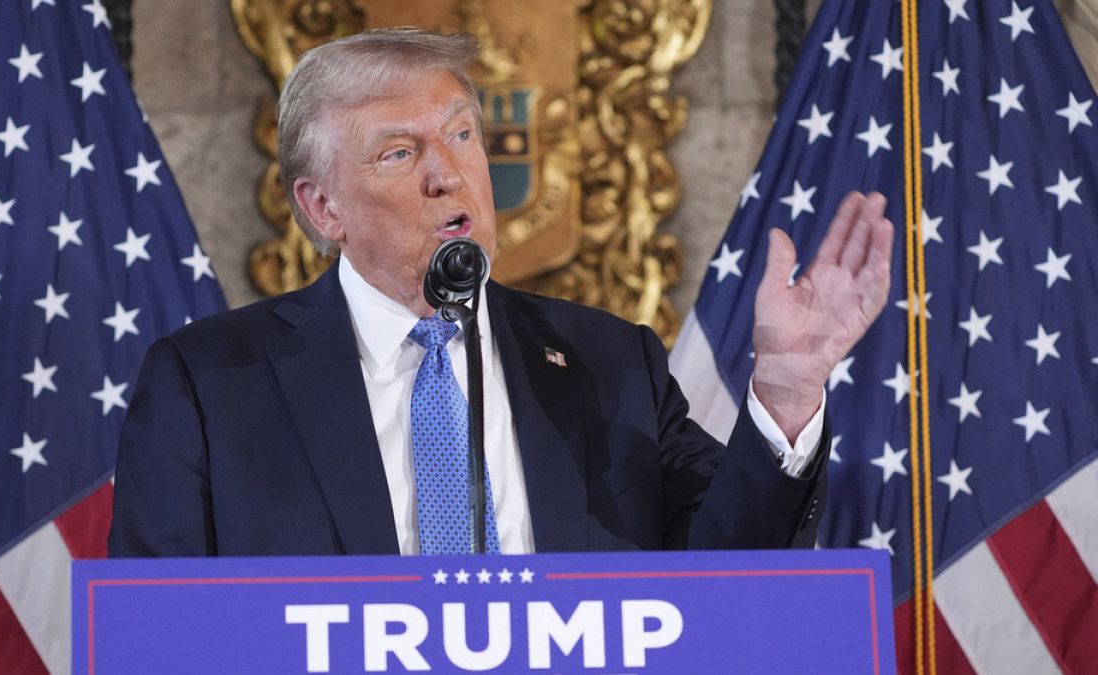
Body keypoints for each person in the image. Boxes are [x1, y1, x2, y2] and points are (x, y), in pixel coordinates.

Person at [107, 29, 893, 557]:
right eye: (398, 152)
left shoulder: (610, 362)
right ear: (322, 208)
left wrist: (786, 391)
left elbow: (731, 572)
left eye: (461, 135)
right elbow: (159, 632)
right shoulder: (208, 386)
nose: (447, 173)